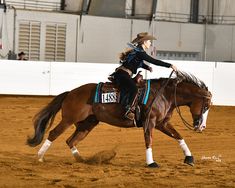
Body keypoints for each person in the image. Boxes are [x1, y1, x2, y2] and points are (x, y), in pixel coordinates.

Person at [111, 32, 177, 120]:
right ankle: (128, 110)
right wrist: (169, 65)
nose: (150, 43)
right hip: (122, 75)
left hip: (123, 74)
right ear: (144, 42)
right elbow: (154, 61)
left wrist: (147, 67)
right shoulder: (140, 52)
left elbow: (137, 62)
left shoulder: (138, 51)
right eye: (149, 41)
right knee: (134, 89)